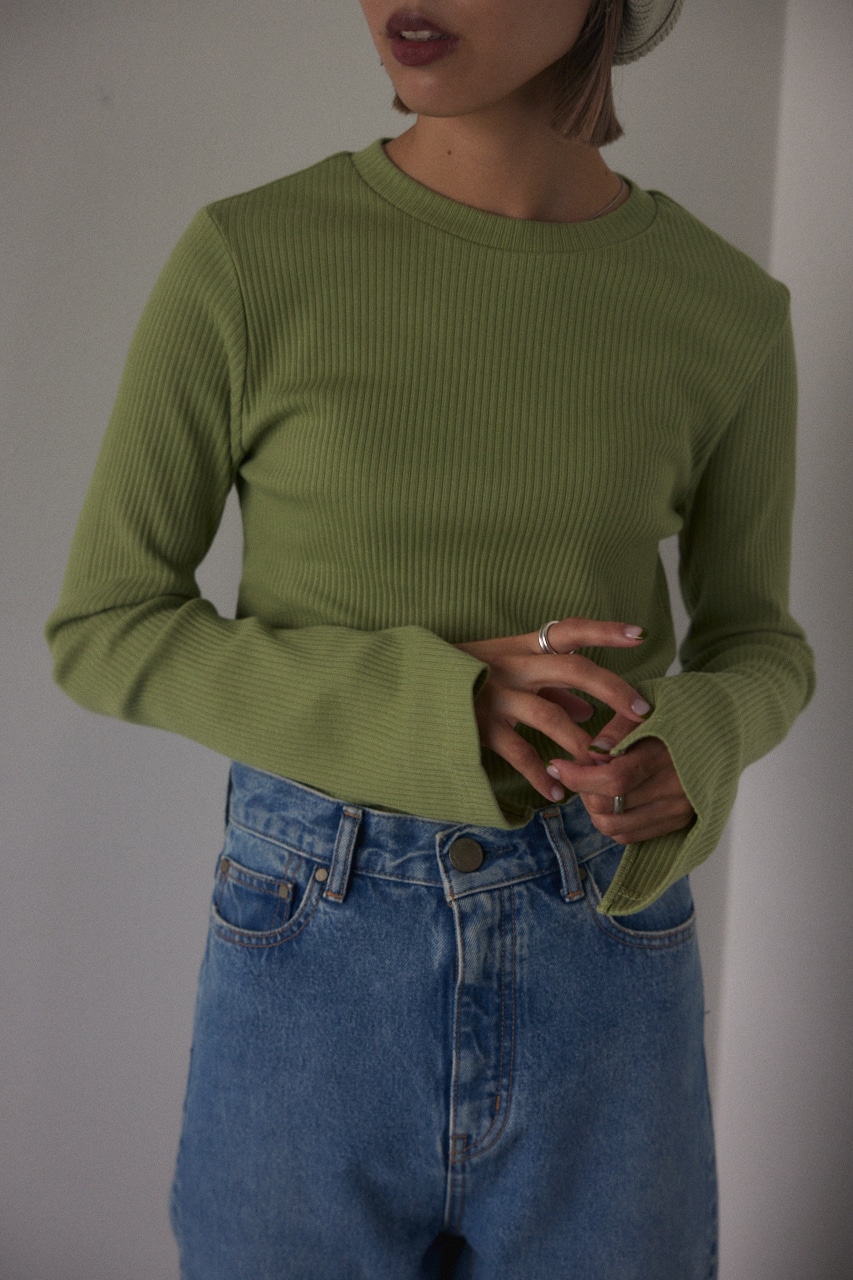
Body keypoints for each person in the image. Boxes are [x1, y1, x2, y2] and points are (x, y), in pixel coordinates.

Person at [45, 0, 815, 1275]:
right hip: (314, 951)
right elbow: (105, 626)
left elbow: (760, 642)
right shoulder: (250, 258)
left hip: (603, 953)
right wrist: (430, 702)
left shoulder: (725, 308)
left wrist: (697, 737)